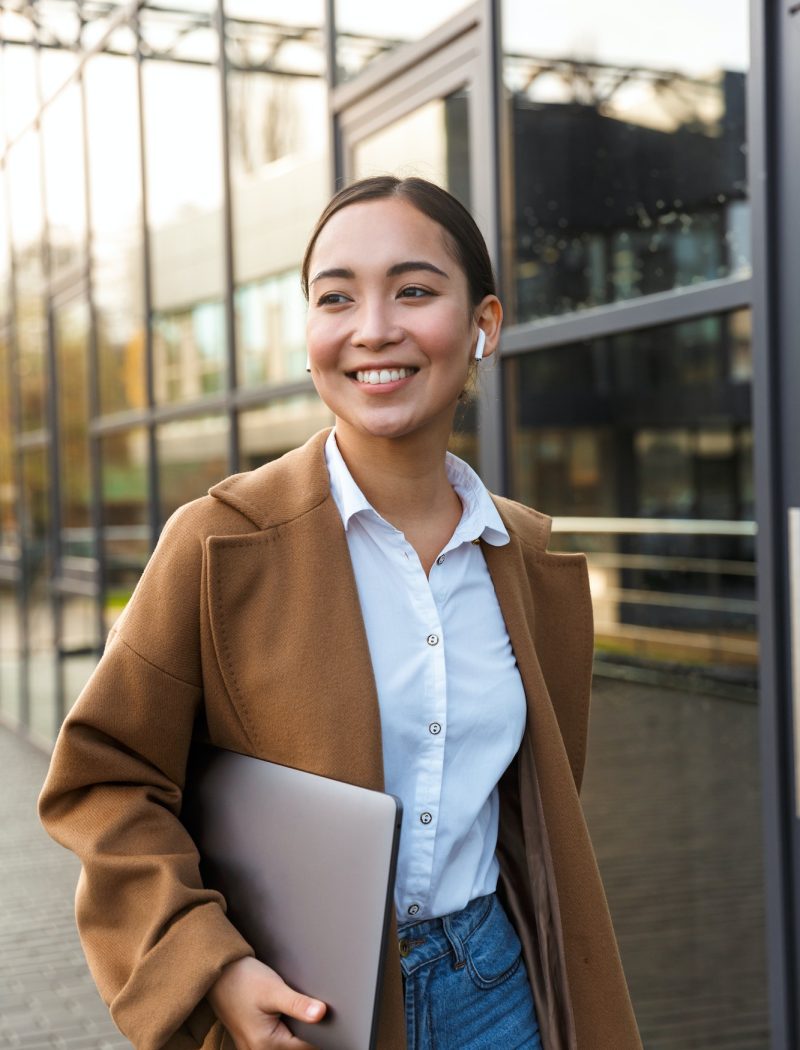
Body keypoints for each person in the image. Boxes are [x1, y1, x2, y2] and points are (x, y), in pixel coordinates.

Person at [39, 176, 642, 1050]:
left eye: (414, 290)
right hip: (301, 1010)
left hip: (495, 990)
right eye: (336, 298)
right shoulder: (217, 544)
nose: (373, 328)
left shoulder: (527, 563)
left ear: (485, 324)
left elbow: (528, 815)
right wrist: (213, 964)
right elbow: (104, 781)